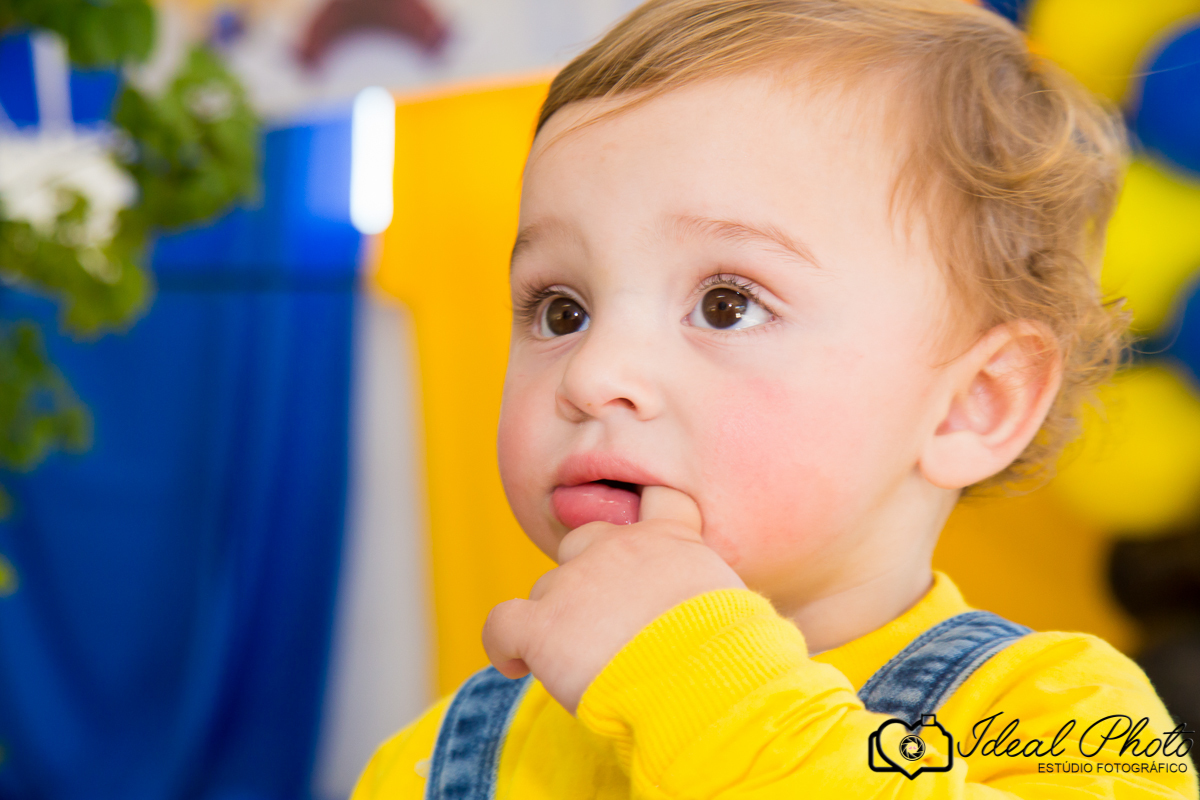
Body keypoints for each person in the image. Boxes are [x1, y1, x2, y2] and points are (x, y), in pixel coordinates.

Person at [352, 0, 1199, 796]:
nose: (591, 372)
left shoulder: (1070, 715)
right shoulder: (434, 760)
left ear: (972, 403)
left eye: (728, 304)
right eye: (560, 309)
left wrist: (692, 676)